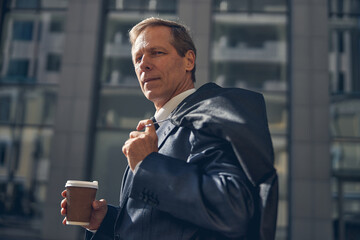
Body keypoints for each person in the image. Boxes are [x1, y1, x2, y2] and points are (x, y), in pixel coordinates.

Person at [60, 17, 278, 240]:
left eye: (156, 53)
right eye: (137, 58)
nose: (143, 64)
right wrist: (106, 222)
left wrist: (149, 166)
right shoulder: (156, 131)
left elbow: (234, 210)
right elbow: (159, 225)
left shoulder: (212, 117)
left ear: (189, 61)